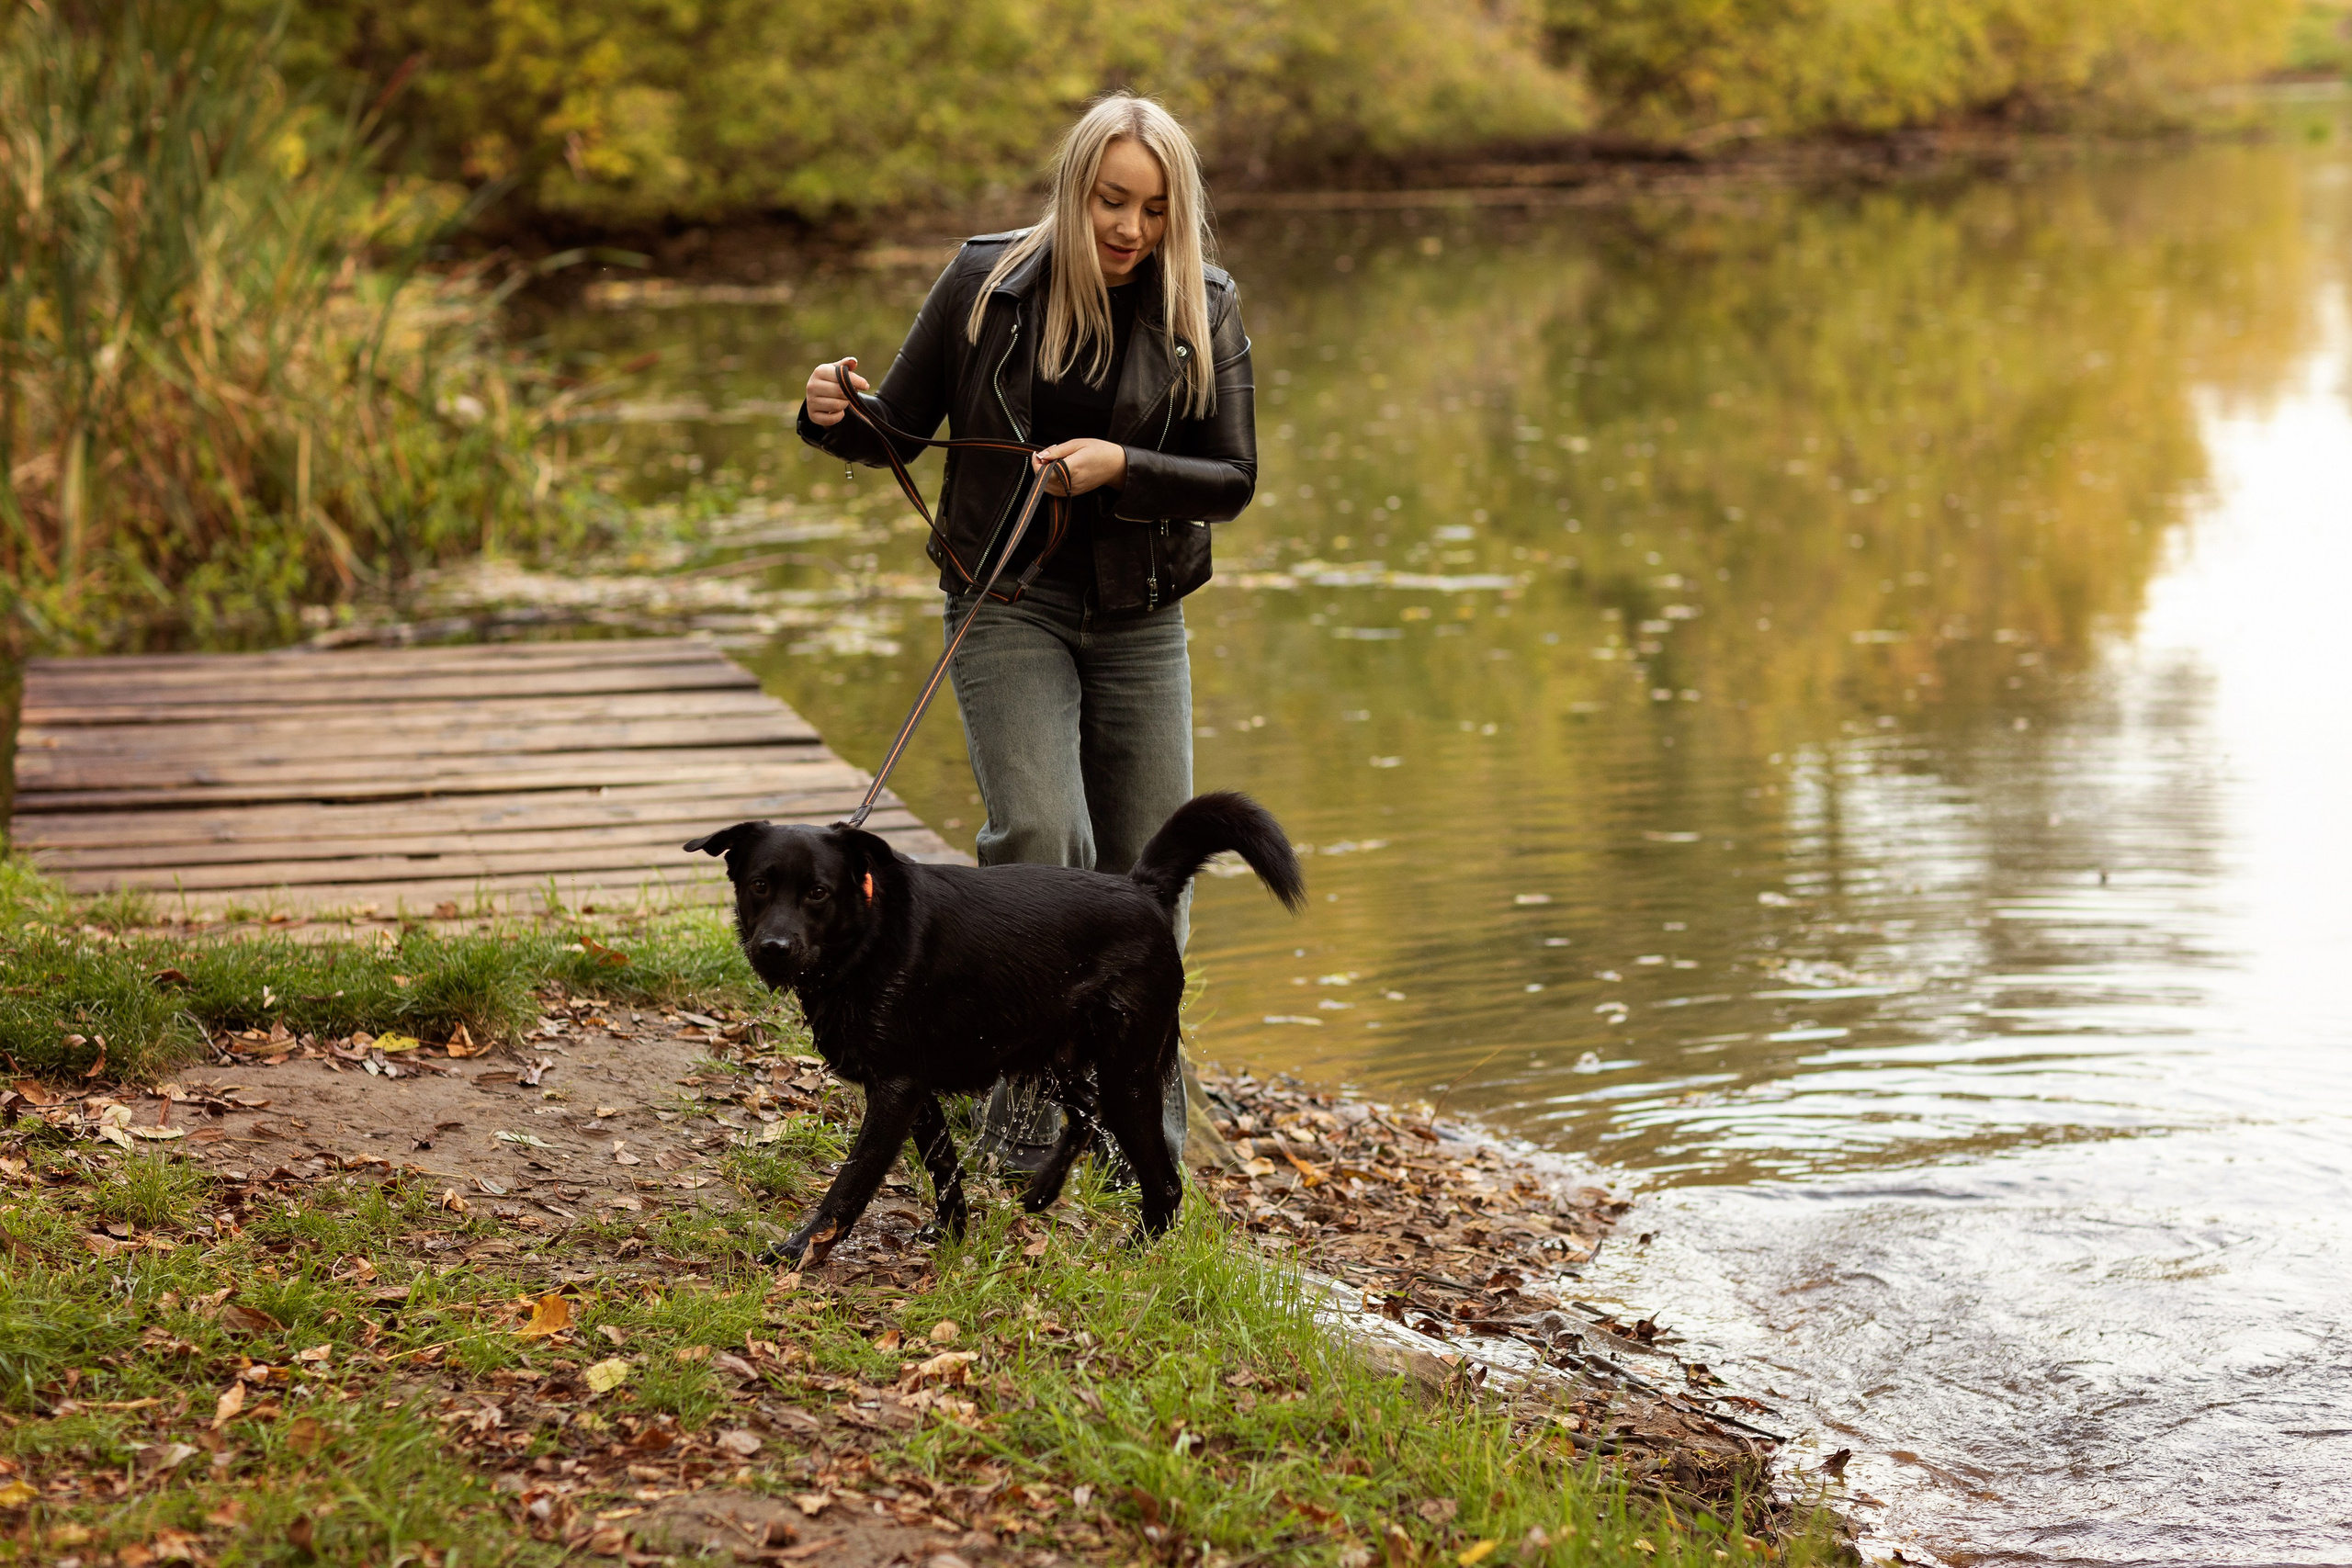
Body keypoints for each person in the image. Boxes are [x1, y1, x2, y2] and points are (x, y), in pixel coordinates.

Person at [797, 92, 1256, 1178]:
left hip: (1144, 616)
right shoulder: (985, 282)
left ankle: (1136, 1138)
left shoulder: (1209, 305)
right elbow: (894, 430)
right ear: (1073, 188)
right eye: (1110, 202)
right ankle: (1019, 1120)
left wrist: (1122, 466)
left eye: (1152, 209)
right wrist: (830, 411)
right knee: (1041, 843)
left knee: (1149, 879)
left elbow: (1233, 482)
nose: (1130, 231)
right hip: (1004, 602)